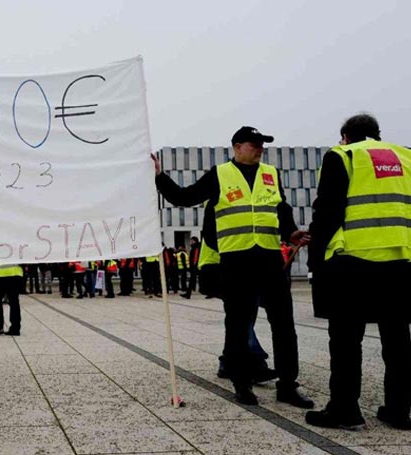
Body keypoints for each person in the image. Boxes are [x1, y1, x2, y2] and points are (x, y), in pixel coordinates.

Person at [153, 126, 313, 408]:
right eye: (254, 144)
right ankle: (241, 383)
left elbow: (282, 210)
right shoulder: (220, 174)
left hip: (270, 259)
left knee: (285, 324)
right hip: (236, 260)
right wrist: (159, 176)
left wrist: (291, 233)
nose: (260, 148)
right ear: (237, 147)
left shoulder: (271, 174)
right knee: (238, 323)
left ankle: (288, 385)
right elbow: (184, 197)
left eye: (262, 144)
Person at [305, 114, 411, 430]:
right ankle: (399, 409)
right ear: (377, 134)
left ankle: (344, 409)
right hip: (400, 261)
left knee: (346, 341)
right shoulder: (406, 157)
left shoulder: (343, 156)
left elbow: (327, 211)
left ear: (346, 136)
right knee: (398, 343)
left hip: (353, 262)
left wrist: (316, 259)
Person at [0, 264, 23, 336]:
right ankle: (12, 328)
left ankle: (1, 327)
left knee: (9, 301)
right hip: (11, 274)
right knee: (12, 302)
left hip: (7, 275)